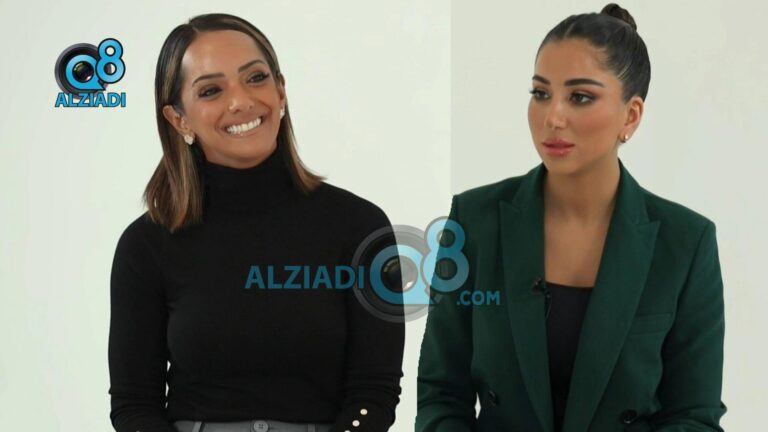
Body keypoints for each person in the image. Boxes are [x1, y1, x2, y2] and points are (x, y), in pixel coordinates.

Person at [416, 4, 726, 431]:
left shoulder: (686, 242)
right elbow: (440, 394)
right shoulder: (474, 220)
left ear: (631, 115)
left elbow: (694, 415)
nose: (553, 117)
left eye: (580, 97)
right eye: (540, 93)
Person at [108, 13, 405, 432]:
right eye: (211, 90)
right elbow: (134, 405)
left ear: (280, 91)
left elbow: (374, 392)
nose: (241, 101)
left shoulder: (361, 227)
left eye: (256, 78)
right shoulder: (145, 244)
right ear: (179, 119)